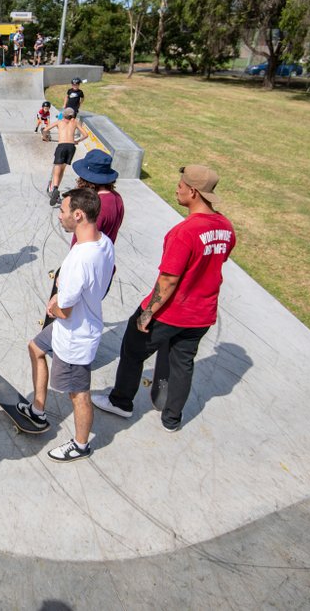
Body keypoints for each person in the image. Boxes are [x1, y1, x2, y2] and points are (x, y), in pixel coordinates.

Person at [92, 166, 236, 432]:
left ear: (193, 191)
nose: (177, 189)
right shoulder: (225, 227)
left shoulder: (185, 232)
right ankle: (172, 418)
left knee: (133, 350)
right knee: (182, 363)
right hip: (201, 314)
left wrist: (147, 313)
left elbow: (168, 280)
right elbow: (218, 260)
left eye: (180, 185)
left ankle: (121, 402)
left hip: (170, 312)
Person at [16, 188, 116, 461]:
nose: (59, 216)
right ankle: (37, 408)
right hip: (70, 327)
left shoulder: (79, 260)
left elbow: (64, 310)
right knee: (35, 347)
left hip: (75, 336)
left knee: (79, 395)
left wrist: (54, 302)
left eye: (63, 211)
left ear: (78, 214)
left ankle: (81, 445)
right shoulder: (104, 243)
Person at [71, 149, 124, 247]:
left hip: (87, 259)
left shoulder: (93, 206)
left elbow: (83, 242)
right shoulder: (117, 197)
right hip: (105, 257)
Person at [43, 108, 88, 206]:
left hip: (62, 146)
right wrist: (77, 141)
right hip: (71, 147)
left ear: (63, 115)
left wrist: (45, 137)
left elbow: (45, 130)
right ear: (72, 116)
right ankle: (56, 191)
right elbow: (85, 135)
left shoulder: (59, 122)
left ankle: (55, 189)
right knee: (62, 170)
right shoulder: (75, 122)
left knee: (56, 169)